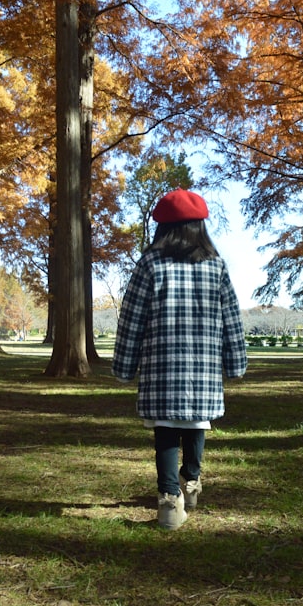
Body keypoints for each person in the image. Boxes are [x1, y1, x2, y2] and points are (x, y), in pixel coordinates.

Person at [112, 188, 248, 530]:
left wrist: (124, 366)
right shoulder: (215, 266)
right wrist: (236, 363)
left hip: (162, 366)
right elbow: (231, 318)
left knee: (166, 430)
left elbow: (132, 318)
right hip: (202, 367)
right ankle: (191, 480)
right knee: (197, 423)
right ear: (200, 228)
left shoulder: (150, 263)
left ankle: (169, 501)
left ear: (163, 228)